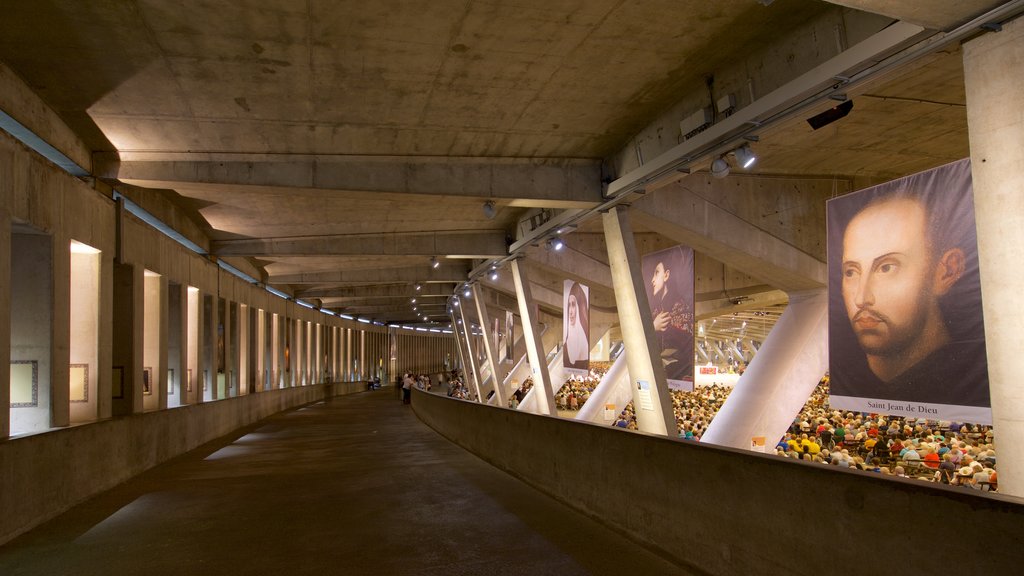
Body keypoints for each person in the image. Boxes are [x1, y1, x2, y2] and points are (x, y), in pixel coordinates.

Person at [830, 181, 989, 407]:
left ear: (946, 272)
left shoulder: (974, 390)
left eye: (887, 267)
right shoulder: (851, 377)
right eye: (851, 272)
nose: (861, 298)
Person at [647, 251, 694, 384]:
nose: (652, 279)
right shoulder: (657, 310)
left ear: (666, 275)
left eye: (657, 272)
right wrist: (653, 327)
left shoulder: (680, 307)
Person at [563, 281, 590, 370]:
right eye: (569, 305)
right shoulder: (565, 346)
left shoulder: (585, 346)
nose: (570, 311)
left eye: (573, 305)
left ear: (579, 307)